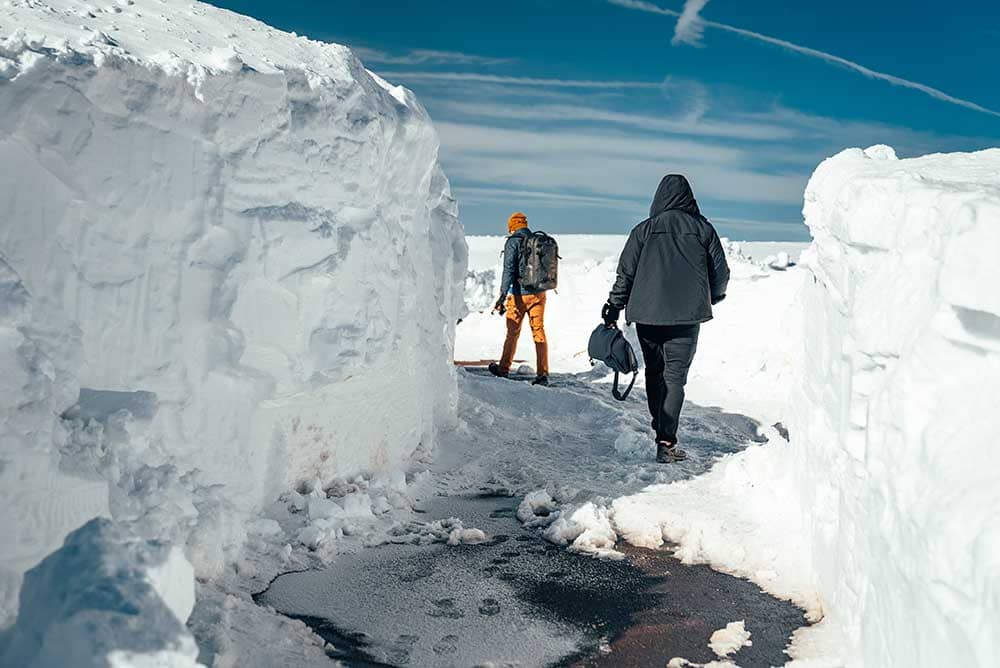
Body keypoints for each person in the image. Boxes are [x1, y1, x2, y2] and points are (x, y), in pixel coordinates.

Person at [602, 175, 730, 464]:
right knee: (675, 378)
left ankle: (659, 425)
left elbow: (626, 274)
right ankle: (666, 440)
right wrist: (714, 295)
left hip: (648, 316)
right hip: (686, 317)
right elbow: (720, 272)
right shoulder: (703, 229)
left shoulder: (643, 230)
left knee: (655, 373)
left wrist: (614, 305)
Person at [488, 212, 549, 386]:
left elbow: (509, 271)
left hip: (519, 297)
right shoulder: (538, 240)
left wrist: (501, 296)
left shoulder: (512, 242)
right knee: (539, 332)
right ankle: (543, 373)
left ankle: (503, 369)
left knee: (512, 333)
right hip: (539, 294)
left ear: (512, 226)